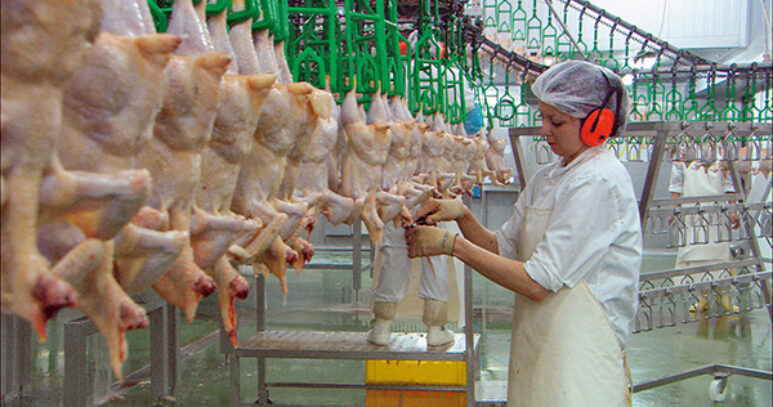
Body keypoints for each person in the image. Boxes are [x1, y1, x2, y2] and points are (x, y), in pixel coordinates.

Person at [405, 60, 642, 407]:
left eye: (556, 121)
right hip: (542, 348)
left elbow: (536, 282)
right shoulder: (549, 177)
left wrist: (451, 246)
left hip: (581, 359)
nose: (544, 130)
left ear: (598, 123)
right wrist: (462, 216)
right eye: (543, 117)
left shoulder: (599, 180)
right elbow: (502, 246)